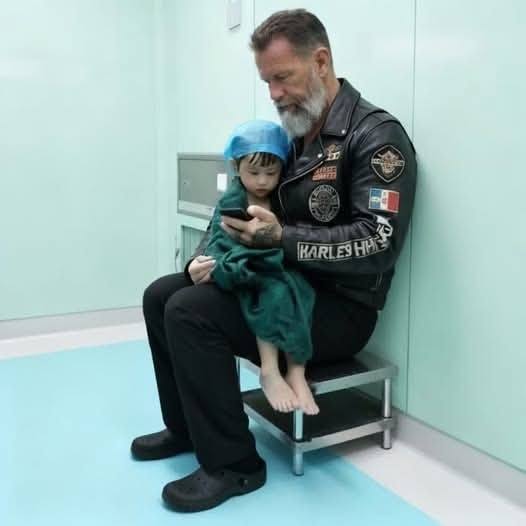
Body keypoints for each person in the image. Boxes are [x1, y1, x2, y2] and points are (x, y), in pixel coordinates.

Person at [131, 8, 416, 513]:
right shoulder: (292, 135)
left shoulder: (376, 137)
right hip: (274, 281)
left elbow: (378, 241)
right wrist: (202, 259)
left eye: (282, 78)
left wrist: (282, 238)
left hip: (337, 310)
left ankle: (235, 466)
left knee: (190, 311)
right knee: (162, 294)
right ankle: (187, 429)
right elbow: (237, 203)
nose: (274, 94)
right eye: (267, 82)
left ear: (321, 61)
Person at [205, 119, 319, 415]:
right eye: (253, 173)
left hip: (280, 264)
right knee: (273, 292)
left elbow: (295, 236)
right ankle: (270, 370)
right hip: (247, 268)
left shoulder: (284, 198)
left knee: (302, 291)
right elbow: (218, 240)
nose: (262, 181)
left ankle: (297, 370)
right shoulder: (232, 201)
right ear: (236, 167)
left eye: (271, 173)